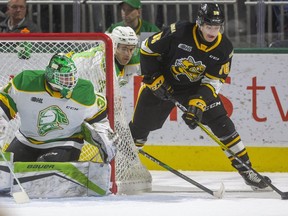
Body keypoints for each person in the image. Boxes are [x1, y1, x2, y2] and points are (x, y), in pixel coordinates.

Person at [129, 3, 271, 190]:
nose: (213, 31)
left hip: (194, 89)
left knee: (223, 125)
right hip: (164, 82)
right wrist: (154, 78)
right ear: (199, 23)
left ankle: (247, 171)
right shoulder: (178, 32)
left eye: (217, 26)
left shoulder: (224, 48)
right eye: (209, 26)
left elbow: (214, 81)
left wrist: (198, 103)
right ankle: (124, 167)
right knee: (139, 130)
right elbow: (147, 49)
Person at [0, 53, 116, 163]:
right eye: (64, 78)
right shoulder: (24, 82)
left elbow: (99, 117)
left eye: (71, 77)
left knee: (46, 170)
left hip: (65, 142)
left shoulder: (83, 91)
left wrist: (104, 132)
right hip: (26, 140)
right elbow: (3, 104)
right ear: (51, 75)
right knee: (6, 171)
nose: (70, 82)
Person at [106, 0, 160, 75]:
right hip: (118, 72)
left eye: (130, 10)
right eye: (123, 9)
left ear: (139, 12)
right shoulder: (114, 29)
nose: (125, 13)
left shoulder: (149, 30)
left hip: (142, 72)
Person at [73, 26, 138, 87]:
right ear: (114, 46)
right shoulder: (100, 62)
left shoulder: (133, 60)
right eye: (124, 49)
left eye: (131, 49)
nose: (128, 54)